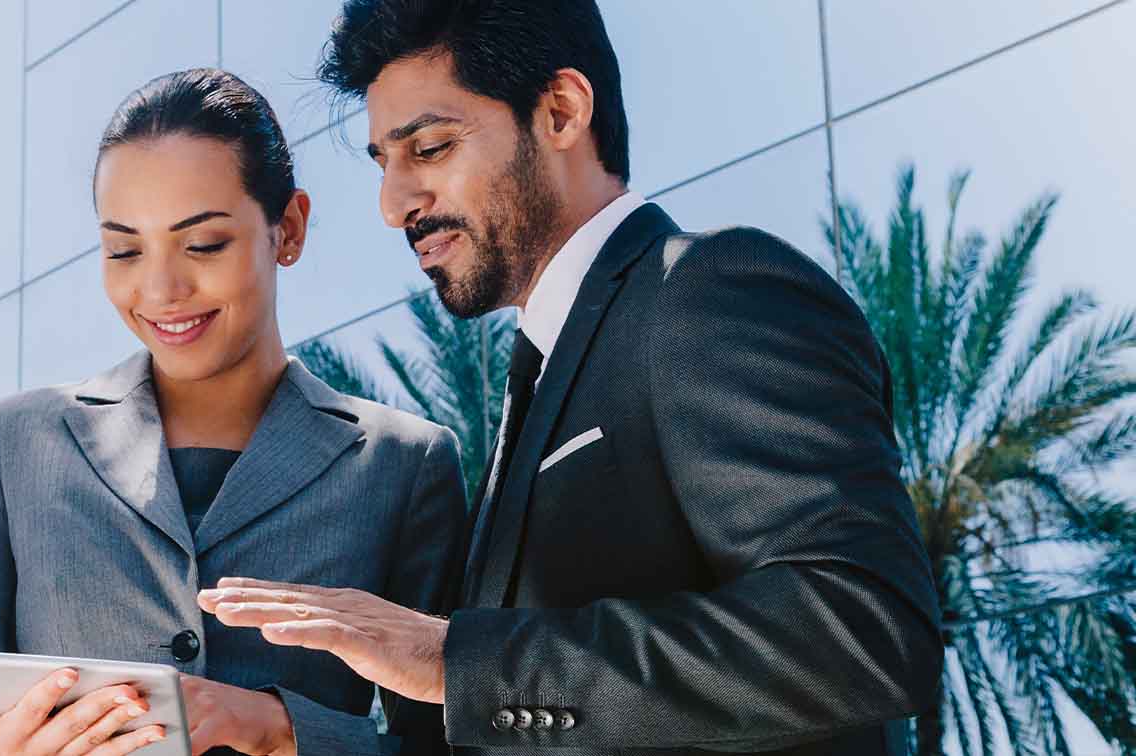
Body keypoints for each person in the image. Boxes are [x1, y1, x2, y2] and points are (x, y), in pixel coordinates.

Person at [201, 3, 945, 755]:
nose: (395, 205)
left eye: (428, 148)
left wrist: (456, 661)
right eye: (385, 165)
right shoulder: (539, 384)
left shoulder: (706, 291)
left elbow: (860, 628)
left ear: (560, 111)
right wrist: (279, 732)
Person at [0, 68, 466, 756]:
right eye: (123, 249)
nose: (161, 289)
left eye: (203, 244)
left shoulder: (404, 463)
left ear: (286, 229)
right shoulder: (12, 443)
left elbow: (446, 741)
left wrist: (282, 729)